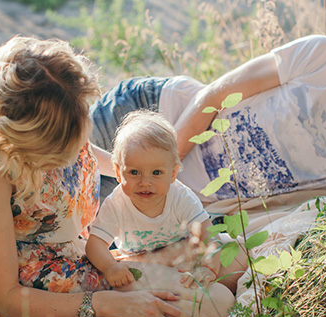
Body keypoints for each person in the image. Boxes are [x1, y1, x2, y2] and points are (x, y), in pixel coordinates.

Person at [0, 36, 234, 317]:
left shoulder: (55, 94)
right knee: (213, 306)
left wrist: (139, 174)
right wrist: (108, 304)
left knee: (229, 258)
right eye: (61, 152)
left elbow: (89, 157)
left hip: (85, 254)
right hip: (45, 289)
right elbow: (5, 298)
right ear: (29, 144)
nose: (75, 153)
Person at [89, 25, 326, 203]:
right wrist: (166, 180)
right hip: (151, 114)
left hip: (156, 191)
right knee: (37, 165)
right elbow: (215, 94)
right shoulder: (323, 57)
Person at [86, 110, 246, 291]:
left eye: (156, 173)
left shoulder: (180, 196)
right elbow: (95, 244)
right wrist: (111, 267)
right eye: (134, 172)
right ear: (117, 172)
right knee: (126, 284)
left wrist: (207, 267)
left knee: (238, 253)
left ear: (173, 173)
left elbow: (207, 234)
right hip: (143, 270)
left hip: (185, 259)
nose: (145, 182)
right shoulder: (116, 204)